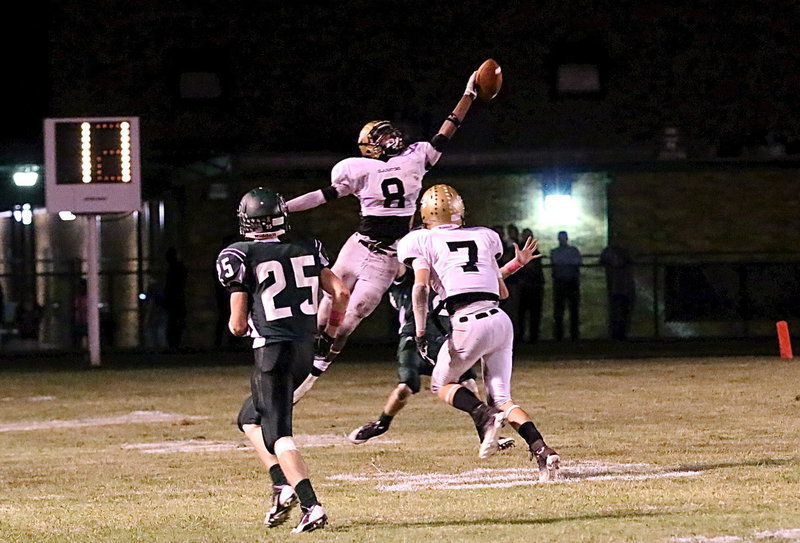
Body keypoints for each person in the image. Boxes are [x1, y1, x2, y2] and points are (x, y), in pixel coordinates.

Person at [285, 68, 484, 402]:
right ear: (369, 148)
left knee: (351, 318)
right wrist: (285, 208)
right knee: (324, 312)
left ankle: (312, 376)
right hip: (358, 245)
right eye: (380, 136)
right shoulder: (358, 169)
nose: (389, 137)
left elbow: (447, 131)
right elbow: (322, 195)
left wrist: (468, 95)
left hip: (388, 256)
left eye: (389, 131)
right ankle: (298, 366)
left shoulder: (416, 156)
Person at [397, 184, 560, 481]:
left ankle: (483, 415)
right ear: (460, 211)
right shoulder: (483, 236)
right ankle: (542, 450)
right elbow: (500, 290)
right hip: (499, 320)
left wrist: (420, 331)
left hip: (467, 321)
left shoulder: (420, 240)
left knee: (441, 384)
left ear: (424, 214)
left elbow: (420, 288)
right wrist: (516, 264)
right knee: (502, 397)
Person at [216, 187, 350, 533]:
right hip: (305, 349)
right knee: (249, 418)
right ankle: (281, 484)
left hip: (272, 351)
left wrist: (245, 329)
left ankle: (311, 505)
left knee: (278, 433)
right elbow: (341, 292)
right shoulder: (308, 247)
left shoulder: (240, 254)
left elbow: (237, 325)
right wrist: (330, 332)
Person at [346, 260, 515, 450]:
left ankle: (485, 431)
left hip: (443, 336)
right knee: (405, 387)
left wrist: (516, 264)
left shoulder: (444, 277)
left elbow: (484, 279)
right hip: (412, 338)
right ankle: (381, 424)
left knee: (468, 383)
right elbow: (398, 265)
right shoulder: (406, 278)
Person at [599, 242, 636, 340]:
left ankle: (620, 333)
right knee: (619, 310)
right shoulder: (618, 251)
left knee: (621, 310)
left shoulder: (614, 251)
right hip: (620, 286)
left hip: (620, 286)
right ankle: (619, 333)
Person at [550, 230, 582, 341]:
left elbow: (574, 262)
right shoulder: (572, 251)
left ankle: (570, 335)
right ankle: (564, 335)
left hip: (568, 282)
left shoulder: (556, 252)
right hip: (564, 282)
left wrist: (563, 264)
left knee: (571, 309)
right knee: (561, 310)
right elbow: (575, 262)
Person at [517, 227, 545, 343]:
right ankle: (523, 336)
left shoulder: (533, 251)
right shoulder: (521, 250)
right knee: (522, 313)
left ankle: (533, 336)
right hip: (525, 285)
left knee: (533, 312)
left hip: (533, 285)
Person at [164, 246, 188, 350]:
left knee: (173, 322)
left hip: (174, 299)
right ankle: (175, 343)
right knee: (176, 322)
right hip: (177, 299)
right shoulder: (178, 268)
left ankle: (174, 343)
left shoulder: (173, 269)